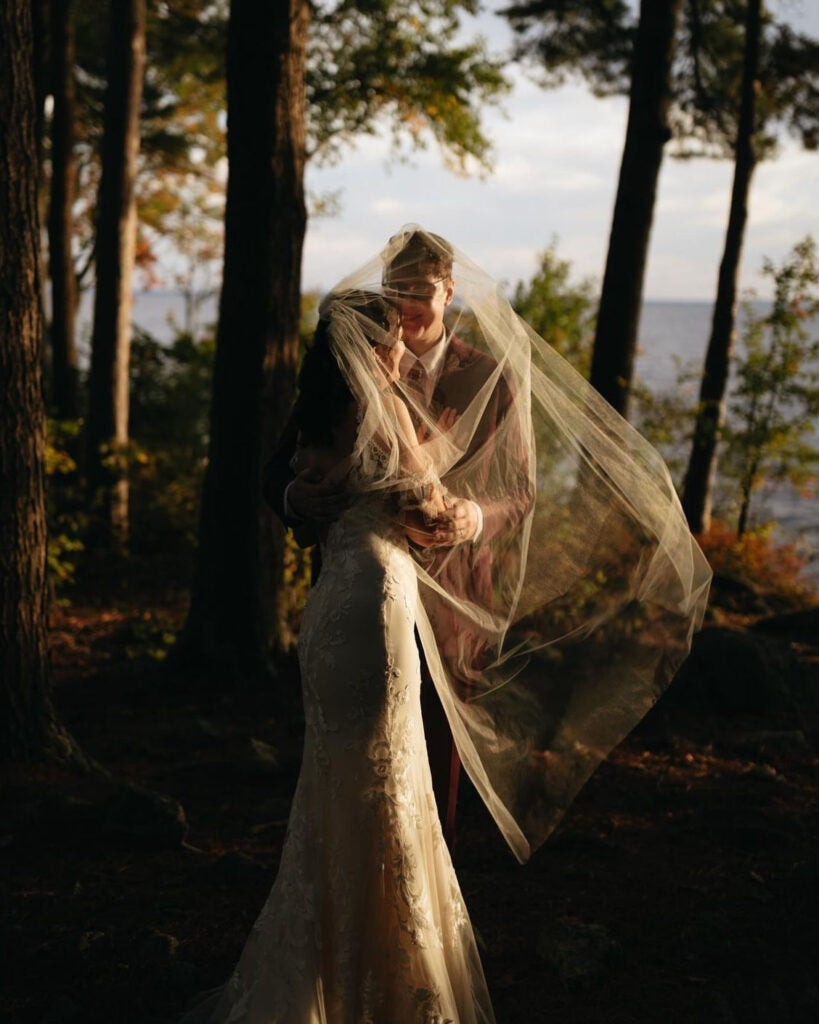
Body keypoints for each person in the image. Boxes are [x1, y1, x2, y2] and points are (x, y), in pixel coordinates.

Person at [184, 228, 711, 1022]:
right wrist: (297, 499)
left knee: (428, 777)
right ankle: (367, 947)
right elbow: (283, 464)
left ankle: (407, 932)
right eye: (396, 289)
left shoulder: (488, 374)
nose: (406, 306)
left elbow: (519, 492)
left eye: (420, 292)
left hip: (445, 601)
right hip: (370, 598)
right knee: (367, 772)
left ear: (448, 292)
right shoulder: (349, 362)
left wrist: (468, 517)